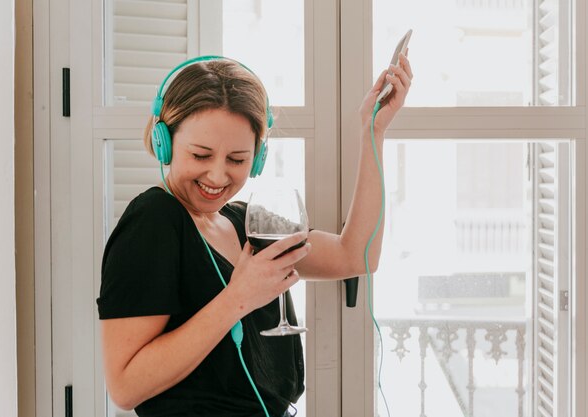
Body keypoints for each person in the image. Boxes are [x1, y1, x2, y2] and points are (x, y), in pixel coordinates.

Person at [97, 55, 412, 417]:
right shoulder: (153, 220)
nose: (217, 176)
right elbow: (125, 386)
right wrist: (238, 298)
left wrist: (372, 132)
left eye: (237, 159)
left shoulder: (245, 220)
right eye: (200, 155)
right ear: (164, 141)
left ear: (258, 158)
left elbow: (356, 255)